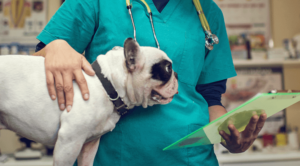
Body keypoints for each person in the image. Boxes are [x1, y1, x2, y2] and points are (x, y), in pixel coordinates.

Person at [33, 0, 267, 165]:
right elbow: (44, 59)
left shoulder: (207, 12)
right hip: (110, 156)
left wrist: (231, 135)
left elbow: (211, 98)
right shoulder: (95, 2)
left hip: (189, 159)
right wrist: (55, 47)